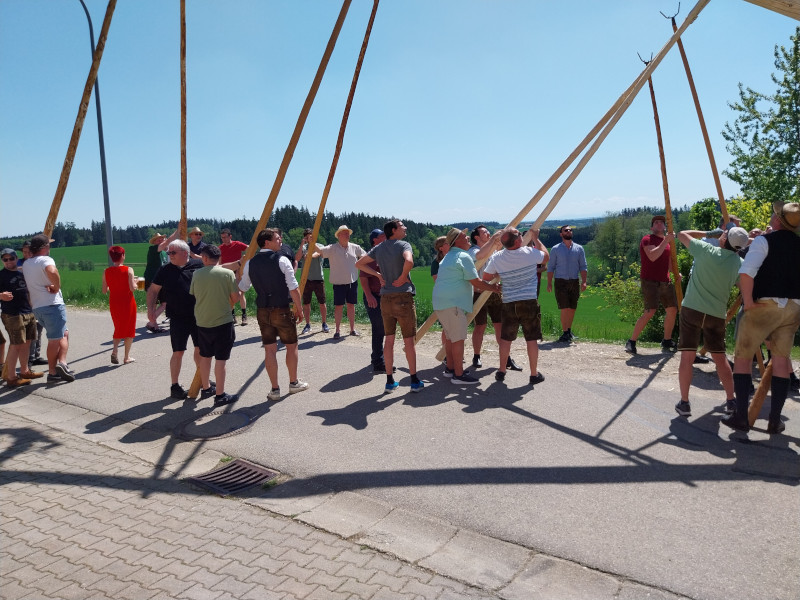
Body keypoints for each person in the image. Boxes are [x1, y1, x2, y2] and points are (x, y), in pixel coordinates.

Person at [722, 202, 800, 434]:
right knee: (781, 361)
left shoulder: (764, 241)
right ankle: (775, 420)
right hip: (794, 307)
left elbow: (746, 273)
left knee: (743, 358)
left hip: (764, 305)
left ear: (777, 220)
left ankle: (741, 417)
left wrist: (747, 302)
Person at [673, 227, 748, 417]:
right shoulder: (739, 264)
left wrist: (707, 233)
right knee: (720, 358)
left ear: (724, 240)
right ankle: (731, 400)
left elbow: (681, 234)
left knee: (687, 357)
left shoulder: (705, 250)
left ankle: (685, 403)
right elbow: (744, 288)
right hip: (716, 314)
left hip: (692, 308)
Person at [239, 228, 308, 401]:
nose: (280, 240)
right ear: (267, 242)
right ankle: (293, 383)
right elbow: (293, 288)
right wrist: (299, 309)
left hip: (262, 310)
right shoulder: (282, 260)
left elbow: (243, 287)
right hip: (282, 309)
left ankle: (275, 389)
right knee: (291, 346)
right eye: (277, 238)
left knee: (270, 350)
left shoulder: (250, 263)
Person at [356, 219, 423, 393]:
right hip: (403, 297)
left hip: (385, 298)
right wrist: (403, 277)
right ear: (394, 230)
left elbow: (359, 264)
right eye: (402, 226)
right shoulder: (404, 245)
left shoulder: (379, 248)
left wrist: (378, 275)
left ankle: (389, 381)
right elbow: (409, 261)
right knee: (409, 341)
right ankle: (414, 381)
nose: (405, 228)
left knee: (389, 340)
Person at [433, 228, 501, 385]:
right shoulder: (463, 256)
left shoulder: (449, 256)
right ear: (457, 240)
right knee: (458, 339)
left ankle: (450, 369)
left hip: (441, 302)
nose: (468, 238)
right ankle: (458, 375)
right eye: (464, 237)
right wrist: (493, 288)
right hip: (453, 304)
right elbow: (476, 281)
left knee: (450, 338)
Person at [483, 228, 549, 385]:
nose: (522, 235)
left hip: (509, 302)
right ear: (518, 240)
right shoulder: (529, 252)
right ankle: (534, 374)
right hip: (529, 301)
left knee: (506, 339)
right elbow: (546, 257)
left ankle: (501, 371)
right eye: (520, 234)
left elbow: (486, 276)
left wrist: (500, 275)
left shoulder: (497, 257)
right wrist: (536, 238)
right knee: (531, 339)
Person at [146, 240, 204, 399]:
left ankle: (202, 379)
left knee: (200, 349)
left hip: (198, 315)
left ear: (185, 253)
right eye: (169, 252)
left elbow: (217, 269)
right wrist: (151, 310)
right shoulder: (165, 270)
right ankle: (175, 386)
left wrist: (239, 264)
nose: (169, 255)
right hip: (177, 317)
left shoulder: (198, 265)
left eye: (173, 252)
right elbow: (153, 290)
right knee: (178, 351)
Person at [190, 244, 240, 407]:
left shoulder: (196, 274)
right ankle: (220, 394)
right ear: (219, 258)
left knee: (205, 357)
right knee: (221, 359)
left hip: (202, 321)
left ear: (204, 258)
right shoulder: (227, 274)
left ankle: (206, 388)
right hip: (222, 321)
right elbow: (235, 298)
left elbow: (194, 294)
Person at [467, 225, 523, 372]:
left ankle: (507, 358)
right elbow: (480, 256)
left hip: (494, 292)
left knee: (500, 325)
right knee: (480, 325)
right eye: (484, 232)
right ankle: (476, 356)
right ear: (476, 237)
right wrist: (493, 239)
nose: (487, 233)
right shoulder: (473, 251)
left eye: (488, 231)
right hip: (479, 292)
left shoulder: (494, 250)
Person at [21, 234, 75, 383]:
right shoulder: (46, 260)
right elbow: (52, 271)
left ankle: (62, 363)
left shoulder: (27, 263)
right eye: (48, 245)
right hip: (52, 304)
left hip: (38, 307)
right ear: (45, 247)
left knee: (64, 333)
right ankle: (52, 372)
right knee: (54, 340)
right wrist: (56, 287)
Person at [625, 216, 679, 355]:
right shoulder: (647, 239)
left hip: (665, 280)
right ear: (652, 227)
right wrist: (666, 241)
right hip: (650, 281)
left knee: (672, 310)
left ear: (665, 227)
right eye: (656, 222)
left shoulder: (667, 243)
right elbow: (652, 256)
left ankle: (667, 340)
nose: (659, 224)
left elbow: (668, 262)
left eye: (662, 222)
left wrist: (676, 273)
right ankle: (631, 341)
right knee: (650, 311)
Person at [0, 247, 44, 386]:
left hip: (28, 311)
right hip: (12, 314)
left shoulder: (22, 272)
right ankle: (11, 377)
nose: (8, 261)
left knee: (27, 342)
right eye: (5, 259)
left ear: (16, 258)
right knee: (16, 344)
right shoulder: (1, 275)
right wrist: (0, 295)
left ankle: (25, 371)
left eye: (11, 258)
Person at [317, 225, 365, 339]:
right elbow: (320, 251)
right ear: (338, 235)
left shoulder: (355, 247)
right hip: (338, 284)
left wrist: (361, 263)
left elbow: (365, 256)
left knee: (351, 306)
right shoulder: (332, 248)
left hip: (352, 282)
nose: (347, 235)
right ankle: (337, 330)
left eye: (348, 233)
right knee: (339, 307)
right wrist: (311, 242)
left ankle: (352, 329)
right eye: (344, 233)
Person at [546, 225, 588, 343]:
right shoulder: (555, 249)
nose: (568, 231)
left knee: (572, 308)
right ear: (561, 234)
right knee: (564, 307)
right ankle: (565, 332)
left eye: (570, 230)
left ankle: (568, 331)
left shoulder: (579, 249)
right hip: (560, 281)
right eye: (566, 230)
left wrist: (584, 281)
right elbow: (551, 267)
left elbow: (583, 266)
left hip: (574, 281)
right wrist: (549, 283)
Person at [360, 229, 391, 373]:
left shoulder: (383, 253)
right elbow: (363, 277)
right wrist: (369, 296)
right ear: (375, 240)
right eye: (382, 236)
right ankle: (378, 361)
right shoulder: (371, 256)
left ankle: (380, 359)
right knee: (379, 329)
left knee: (383, 329)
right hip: (374, 297)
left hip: (383, 297)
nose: (385, 237)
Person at [102, 245, 138, 365]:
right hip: (127, 303)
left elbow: (104, 290)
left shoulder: (106, 271)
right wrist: (136, 282)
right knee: (129, 329)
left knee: (118, 327)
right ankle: (126, 357)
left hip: (114, 302)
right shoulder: (129, 270)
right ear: (122, 256)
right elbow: (132, 288)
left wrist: (113, 285)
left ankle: (115, 350)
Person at [295, 228, 329, 334]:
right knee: (306, 303)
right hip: (306, 280)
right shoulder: (304, 247)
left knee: (322, 303)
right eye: (307, 236)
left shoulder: (320, 246)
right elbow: (297, 258)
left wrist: (309, 253)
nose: (309, 238)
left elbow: (317, 254)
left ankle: (324, 323)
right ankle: (307, 324)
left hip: (318, 278)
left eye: (311, 236)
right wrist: (302, 244)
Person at [18, 241, 47, 366]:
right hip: (24, 301)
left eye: (29, 251)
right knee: (29, 331)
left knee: (38, 329)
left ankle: (36, 356)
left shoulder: (37, 262)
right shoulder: (19, 263)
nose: (27, 254)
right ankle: (28, 358)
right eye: (24, 252)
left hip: (37, 300)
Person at [143, 232, 177, 333]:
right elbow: (167, 242)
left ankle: (152, 323)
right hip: (152, 280)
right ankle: (154, 325)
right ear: (154, 242)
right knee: (153, 304)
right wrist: (177, 231)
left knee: (164, 303)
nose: (161, 240)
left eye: (162, 239)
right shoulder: (153, 249)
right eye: (158, 239)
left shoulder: (164, 252)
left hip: (160, 280)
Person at [219, 228, 249, 325]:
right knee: (229, 294)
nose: (224, 239)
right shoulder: (220, 248)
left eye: (225, 237)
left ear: (230, 236)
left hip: (238, 271)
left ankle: (244, 315)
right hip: (226, 272)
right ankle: (232, 316)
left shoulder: (237, 244)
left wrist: (244, 262)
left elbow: (249, 249)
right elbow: (220, 262)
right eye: (222, 237)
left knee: (241, 293)